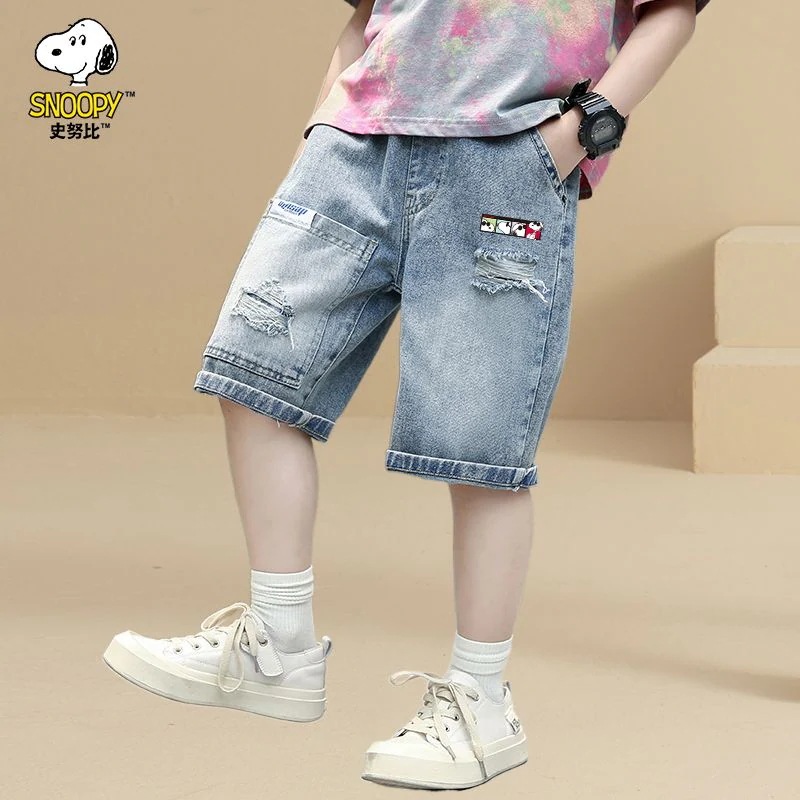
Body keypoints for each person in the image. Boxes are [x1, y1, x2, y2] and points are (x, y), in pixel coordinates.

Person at [103, 0, 710, 790]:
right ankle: (277, 647)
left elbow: (672, 10)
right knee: (253, 369)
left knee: (478, 445)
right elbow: (365, 14)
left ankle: (480, 704)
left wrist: (577, 135)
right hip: (356, 146)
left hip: (505, 159)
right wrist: (324, 125)